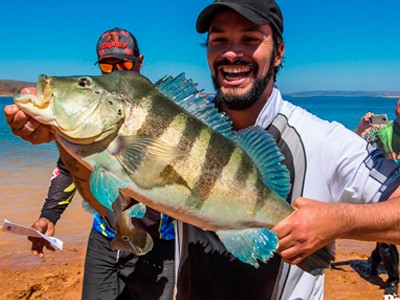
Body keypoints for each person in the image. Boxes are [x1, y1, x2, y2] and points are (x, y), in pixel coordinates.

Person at [5, 2, 400, 299]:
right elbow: (124, 216)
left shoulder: (324, 140)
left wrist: (340, 221)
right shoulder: (174, 120)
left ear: (278, 52)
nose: (232, 53)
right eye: (219, 40)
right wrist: (66, 145)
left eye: (250, 39)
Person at [5, 27, 175, 300]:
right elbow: (67, 166)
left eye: (125, 65)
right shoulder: (94, 112)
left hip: (158, 242)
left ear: (140, 63)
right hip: (104, 237)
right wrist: (49, 216)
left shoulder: (163, 112)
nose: (116, 72)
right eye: (108, 66)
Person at [355, 103, 400, 296]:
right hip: (384, 188)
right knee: (384, 237)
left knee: (385, 237)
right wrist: (362, 127)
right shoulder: (383, 132)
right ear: (396, 113)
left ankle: (373, 262)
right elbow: (352, 144)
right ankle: (393, 281)